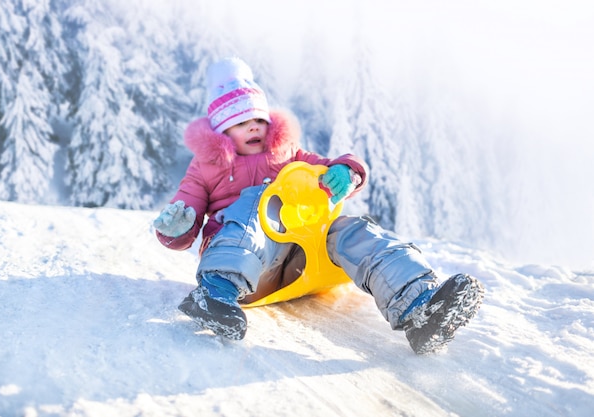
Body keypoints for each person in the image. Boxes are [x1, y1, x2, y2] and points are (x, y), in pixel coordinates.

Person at [153, 57, 484, 354]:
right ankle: (214, 295)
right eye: (241, 123)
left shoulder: (288, 153)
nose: (253, 127)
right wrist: (176, 227)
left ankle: (419, 308)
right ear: (222, 132)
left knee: (352, 229)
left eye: (259, 120)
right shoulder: (205, 168)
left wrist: (347, 170)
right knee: (254, 200)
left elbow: (329, 165)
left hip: (302, 257)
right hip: (245, 271)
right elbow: (186, 214)